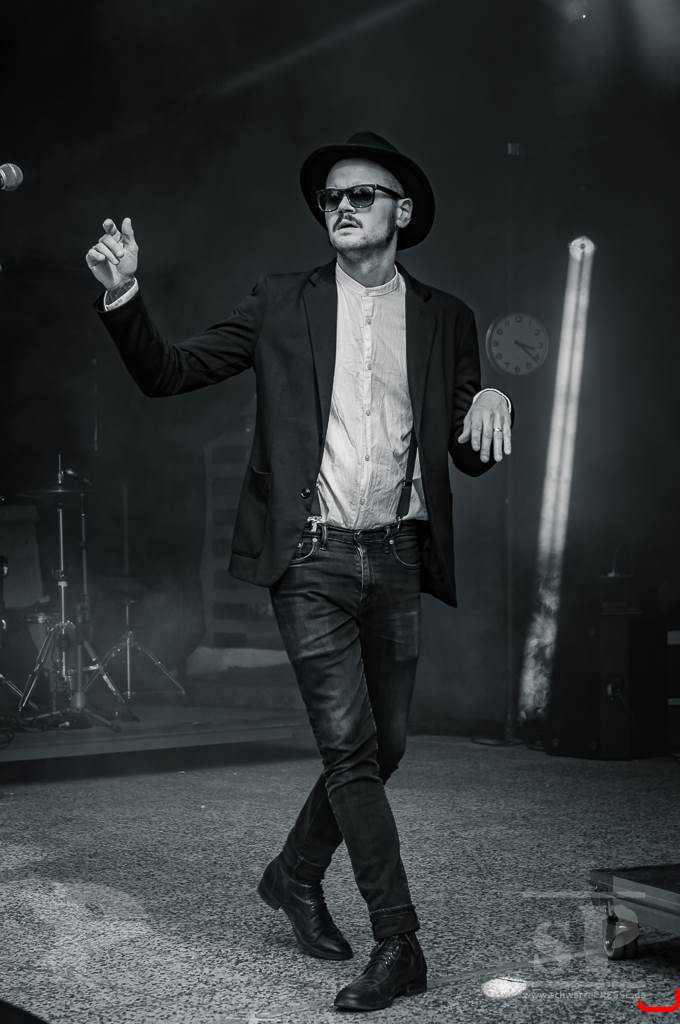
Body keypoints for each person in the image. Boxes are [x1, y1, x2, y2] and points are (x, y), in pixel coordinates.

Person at [86, 131, 514, 1013]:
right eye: (331, 197)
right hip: (310, 556)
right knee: (349, 749)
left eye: (362, 194)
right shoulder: (281, 301)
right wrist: (123, 294)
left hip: (395, 553)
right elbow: (168, 373)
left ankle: (292, 873)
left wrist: (492, 396)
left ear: (401, 211)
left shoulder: (445, 317)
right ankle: (399, 942)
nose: (342, 206)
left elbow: (468, 453)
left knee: (386, 746)